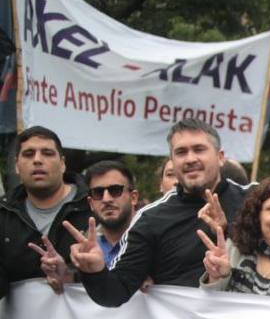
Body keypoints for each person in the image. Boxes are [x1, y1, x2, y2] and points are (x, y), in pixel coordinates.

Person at [65, 118, 247, 307]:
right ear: (172, 161)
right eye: (181, 152)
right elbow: (115, 293)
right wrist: (94, 271)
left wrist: (229, 230)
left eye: (199, 149)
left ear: (220, 157)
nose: (191, 159)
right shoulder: (151, 219)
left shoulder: (258, 201)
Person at [1, 126, 91, 298]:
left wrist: (70, 275)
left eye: (47, 153)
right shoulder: (4, 214)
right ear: (17, 166)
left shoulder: (93, 206)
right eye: (28, 154)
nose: (37, 160)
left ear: (63, 163)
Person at [84, 160, 139, 269]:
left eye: (115, 190)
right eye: (98, 193)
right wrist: (64, 275)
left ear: (133, 198)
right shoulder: (84, 247)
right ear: (91, 203)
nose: (106, 199)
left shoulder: (157, 239)